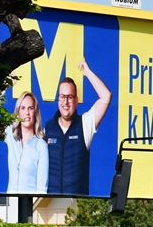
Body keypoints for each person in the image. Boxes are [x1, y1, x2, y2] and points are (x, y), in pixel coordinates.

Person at [45, 59, 112, 196]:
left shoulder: (85, 124)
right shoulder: (48, 128)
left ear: (76, 100)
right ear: (58, 99)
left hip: (77, 205)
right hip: (50, 203)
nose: (65, 102)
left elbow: (106, 96)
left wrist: (87, 72)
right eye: (62, 97)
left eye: (69, 97)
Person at [5, 91, 49, 194]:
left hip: (30, 204)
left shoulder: (41, 146)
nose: (27, 113)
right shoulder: (11, 135)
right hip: (10, 204)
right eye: (23, 108)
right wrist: (4, 86)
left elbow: (42, 188)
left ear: (35, 112)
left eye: (30, 108)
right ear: (18, 112)